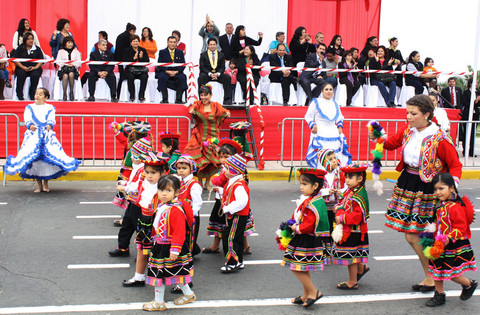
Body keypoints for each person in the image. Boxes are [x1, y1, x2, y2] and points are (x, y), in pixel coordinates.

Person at [373, 94, 462, 292]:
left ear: (427, 114)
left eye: (413, 113)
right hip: (409, 183)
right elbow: (390, 143)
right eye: (407, 112)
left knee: (422, 236)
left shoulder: (440, 138)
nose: (409, 117)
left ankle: (437, 277)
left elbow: (455, 165)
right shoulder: (409, 131)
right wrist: (377, 137)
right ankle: (433, 277)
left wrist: (449, 188)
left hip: (429, 188)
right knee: (415, 236)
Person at [4, 88, 80, 192]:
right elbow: (27, 118)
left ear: (46, 97)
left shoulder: (50, 107)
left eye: (40, 94)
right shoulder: (29, 107)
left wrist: (49, 125)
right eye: (36, 94)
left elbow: (51, 119)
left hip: (46, 136)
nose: (37, 96)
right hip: (33, 135)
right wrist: (30, 125)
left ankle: (46, 184)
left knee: (47, 160)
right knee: (35, 161)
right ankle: (39, 185)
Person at [424, 172, 477, 307]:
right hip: (438, 243)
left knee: (451, 273)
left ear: (452, 188)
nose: (438, 192)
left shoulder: (455, 207)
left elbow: (461, 226)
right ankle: (439, 294)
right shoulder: (440, 205)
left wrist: (449, 236)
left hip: (452, 244)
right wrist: (430, 232)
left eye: (441, 189)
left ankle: (469, 285)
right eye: (435, 189)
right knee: (436, 270)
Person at [143, 175, 196, 311]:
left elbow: (179, 231)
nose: (164, 193)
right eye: (161, 190)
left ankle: (159, 302)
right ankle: (189, 295)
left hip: (170, 247)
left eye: (168, 190)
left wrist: (175, 249)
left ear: (176, 192)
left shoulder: (175, 209)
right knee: (177, 272)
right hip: (161, 245)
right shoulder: (163, 206)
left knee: (159, 274)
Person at [282, 167, 329, 308]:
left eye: (304, 184)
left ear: (315, 186)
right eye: (301, 184)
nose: (301, 187)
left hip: (307, 239)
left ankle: (314, 292)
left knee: (296, 267)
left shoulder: (314, 202)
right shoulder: (309, 199)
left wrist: (296, 228)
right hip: (303, 238)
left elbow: (309, 224)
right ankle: (305, 295)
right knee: (302, 267)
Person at [122, 151, 170, 288]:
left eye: (153, 173)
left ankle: (177, 282)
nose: (149, 176)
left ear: (163, 173)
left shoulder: (166, 188)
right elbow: (138, 198)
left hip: (160, 224)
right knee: (142, 250)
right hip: (145, 220)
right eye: (147, 172)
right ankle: (139, 277)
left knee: (162, 253)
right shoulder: (143, 183)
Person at [109, 137, 153, 257]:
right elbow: (132, 182)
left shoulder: (144, 170)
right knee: (127, 226)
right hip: (133, 202)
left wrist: (125, 188)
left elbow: (138, 186)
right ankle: (122, 247)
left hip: (140, 204)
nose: (132, 156)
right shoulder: (137, 167)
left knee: (140, 229)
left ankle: (144, 253)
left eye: (134, 154)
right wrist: (124, 184)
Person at [184, 85, 230, 189]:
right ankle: (199, 182)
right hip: (200, 136)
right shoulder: (198, 104)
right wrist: (191, 110)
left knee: (210, 161)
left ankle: (207, 183)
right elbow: (192, 108)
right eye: (201, 95)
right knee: (200, 160)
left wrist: (227, 113)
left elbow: (224, 111)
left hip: (212, 136)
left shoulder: (215, 105)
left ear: (210, 95)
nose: (203, 97)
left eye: (206, 95)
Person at [332, 164, 370, 290]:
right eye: (346, 177)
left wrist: (342, 218)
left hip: (354, 231)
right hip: (354, 231)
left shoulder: (359, 195)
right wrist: (338, 207)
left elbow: (357, 216)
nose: (347, 180)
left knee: (351, 257)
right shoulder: (352, 191)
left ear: (359, 179)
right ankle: (361, 268)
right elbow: (344, 203)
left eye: (350, 177)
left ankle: (352, 281)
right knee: (356, 253)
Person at [202, 139, 242, 254]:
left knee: (236, 224)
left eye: (226, 156)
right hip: (221, 200)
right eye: (221, 157)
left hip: (232, 202)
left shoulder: (236, 170)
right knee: (219, 223)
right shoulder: (223, 168)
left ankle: (244, 246)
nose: (223, 160)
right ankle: (215, 245)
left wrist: (218, 183)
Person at [305, 83, 352, 167]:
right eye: (326, 89)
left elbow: (339, 117)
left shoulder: (335, 103)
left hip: (333, 133)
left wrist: (340, 126)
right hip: (320, 132)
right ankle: (321, 176)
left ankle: (335, 177)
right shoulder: (316, 102)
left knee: (335, 156)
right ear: (322, 91)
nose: (329, 91)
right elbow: (308, 116)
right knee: (322, 156)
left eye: (330, 89)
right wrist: (313, 125)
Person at [111, 121, 152, 216]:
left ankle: (130, 216)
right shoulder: (146, 144)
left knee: (131, 195)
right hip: (133, 171)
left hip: (130, 173)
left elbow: (124, 141)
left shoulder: (137, 146)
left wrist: (116, 130)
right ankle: (129, 215)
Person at [219, 154, 250, 273]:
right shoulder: (233, 182)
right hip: (236, 215)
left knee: (229, 238)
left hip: (237, 215)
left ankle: (232, 262)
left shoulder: (239, 185)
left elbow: (242, 202)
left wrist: (227, 208)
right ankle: (239, 261)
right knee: (237, 238)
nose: (224, 170)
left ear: (234, 170)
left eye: (227, 168)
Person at [172, 155, 203, 257]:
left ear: (191, 169)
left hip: (190, 215)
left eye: (184, 168)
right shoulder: (178, 181)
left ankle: (189, 254)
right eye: (179, 168)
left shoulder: (194, 185)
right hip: (180, 213)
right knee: (182, 234)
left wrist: (191, 214)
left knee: (190, 235)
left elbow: (197, 202)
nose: (181, 171)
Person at [198, 38, 232, 104]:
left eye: (214, 44)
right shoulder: (203, 55)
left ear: (216, 45)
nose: (212, 46)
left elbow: (222, 67)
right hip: (207, 74)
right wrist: (210, 74)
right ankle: (201, 98)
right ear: (208, 45)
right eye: (211, 44)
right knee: (201, 77)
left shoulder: (221, 55)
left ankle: (227, 99)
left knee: (227, 78)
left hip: (218, 74)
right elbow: (202, 67)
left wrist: (218, 74)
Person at [155, 36, 187, 104]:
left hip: (177, 72)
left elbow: (183, 65)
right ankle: (165, 99)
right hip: (166, 71)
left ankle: (179, 99)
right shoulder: (162, 52)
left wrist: (177, 71)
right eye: (171, 42)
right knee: (162, 77)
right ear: (167, 43)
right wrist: (167, 71)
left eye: (174, 42)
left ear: (176, 43)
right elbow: (159, 64)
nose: (172, 44)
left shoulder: (180, 52)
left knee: (183, 77)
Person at [13, 32, 44, 100]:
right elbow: (15, 59)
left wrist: (35, 67)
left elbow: (41, 60)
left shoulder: (37, 49)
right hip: (22, 67)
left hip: (34, 68)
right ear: (25, 40)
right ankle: (19, 95)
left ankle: (32, 94)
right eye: (29, 39)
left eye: (32, 39)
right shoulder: (20, 48)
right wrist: (22, 67)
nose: (31, 40)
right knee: (21, 74)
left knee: (35, 75)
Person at [123, 35, 149, 102]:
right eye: (134, 41)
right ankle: (132, 96)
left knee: (144, 76)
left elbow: (147, 61)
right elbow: (125, 60)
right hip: (131, 70)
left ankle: (141, 96)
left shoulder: (142, 50)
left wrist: (141, 57)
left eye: (137, 41)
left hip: (141, 70)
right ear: (131, 43)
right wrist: (133, 58)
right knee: (130, 77)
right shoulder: (127, 50)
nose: (135, 43)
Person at [460, 78, 480, 157]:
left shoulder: (478, 92)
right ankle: (465, 150)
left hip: (475, 114)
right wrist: (475, 101)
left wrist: (477, 102)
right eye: (475, 82)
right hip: (467, 114)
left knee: (473, 133)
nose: (477, 84)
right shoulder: (466, 92)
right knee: (466, 133)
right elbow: (464, 102)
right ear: (471, 83)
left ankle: (471, 151)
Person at [114, 23, 136, 96]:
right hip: (125, 59)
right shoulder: (129, 37)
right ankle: (120, 94)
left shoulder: (120, 36)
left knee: (121, 76)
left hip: (117, 58)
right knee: (123, 76)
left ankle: (118, 94)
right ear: (132, 30)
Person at [56, 36, 81, 101]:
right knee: (65, 76)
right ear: (65, 43)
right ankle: (64, 93)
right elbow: (58, 61)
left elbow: (79, 62)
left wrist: (73, 65)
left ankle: (72, 92)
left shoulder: (76, 51)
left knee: (71, 74)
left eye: (71, 42)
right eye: (68, 42)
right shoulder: (60, 51)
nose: (70, 44)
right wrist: (66, 64)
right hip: (63, 69)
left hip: (73, 69)